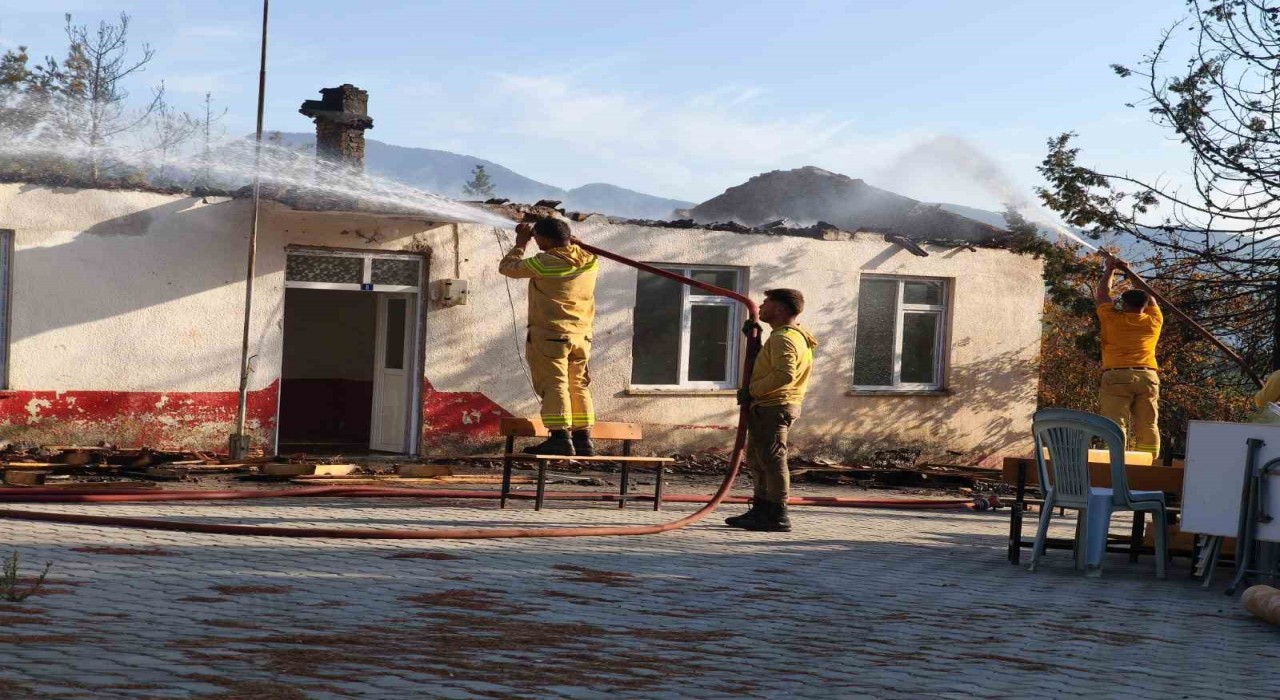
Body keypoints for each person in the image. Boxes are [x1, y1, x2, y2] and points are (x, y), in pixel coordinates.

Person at [498, 217, 599, 456]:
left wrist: (520, 243)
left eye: (537, 238)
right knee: (578, 384)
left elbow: (507, 268)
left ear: (543, 239)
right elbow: (579, 249)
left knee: (554, 384)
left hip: (552, 334)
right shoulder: (590, 261)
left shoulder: (546, 262)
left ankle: (560, 436)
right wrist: (574, 243)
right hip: (582, 335)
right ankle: (583, 439)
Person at [725, 289, 818, 532]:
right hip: (772, 405)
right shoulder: (793, 335)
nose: (762, 306)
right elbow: (772, 364)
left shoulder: (784, 338)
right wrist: (756, 341)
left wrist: (753, 391)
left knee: (773, 460)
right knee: (759, 458)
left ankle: (777, 513)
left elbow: (784, 374)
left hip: (773, 406)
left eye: (766, 302)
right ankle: (762, 509)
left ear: (779, 309)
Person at [1095, 254, 1164, 456]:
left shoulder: (1112, 319)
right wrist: (1129, 273)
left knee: (1115, 424)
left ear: (1124, 304)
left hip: (1117, 375)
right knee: (1148, 424)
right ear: (1145, 305)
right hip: (1148, 377)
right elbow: (1149, 295)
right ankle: (1149, 465)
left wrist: (1110, 270)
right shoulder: (1154, 319)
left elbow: (1102, 295)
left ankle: (1113, 464)